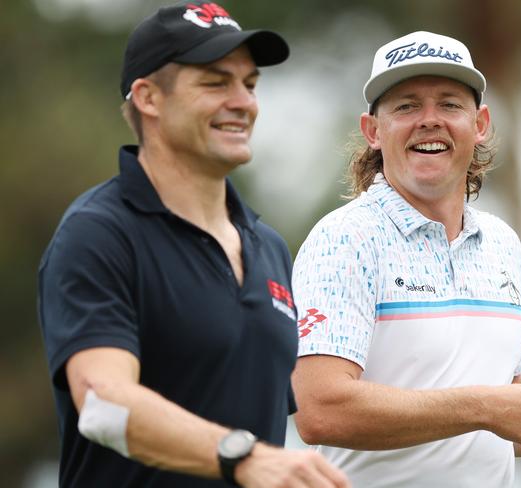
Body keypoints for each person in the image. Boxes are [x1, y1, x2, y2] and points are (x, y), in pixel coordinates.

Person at [37, 2, 350, 487]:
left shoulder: (268, 247)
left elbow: (297, 415)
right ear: (148, 98)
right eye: (215, 82)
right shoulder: (98, 233)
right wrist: (243, 458)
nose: (243, 102)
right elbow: (102, 404)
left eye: (249, 84)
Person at [291, 31, 521, 487]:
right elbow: (319, 409)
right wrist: (486, 406)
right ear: (373, 131)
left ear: (480, 124)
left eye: (450, 104)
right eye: (406, 106)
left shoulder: (501, 244)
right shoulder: (345, 238)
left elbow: (488, 419)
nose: (429, 120)